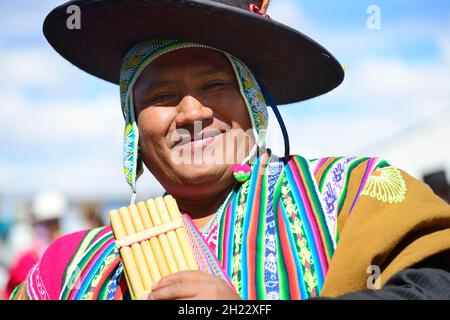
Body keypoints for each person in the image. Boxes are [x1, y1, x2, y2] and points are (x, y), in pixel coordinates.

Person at [11, 0, 450, 300]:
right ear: (134, 131)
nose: (191, 112)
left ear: (253, 106)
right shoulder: (67, 269)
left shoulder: (356, 195)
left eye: (215, 85)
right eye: (161, 96)